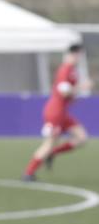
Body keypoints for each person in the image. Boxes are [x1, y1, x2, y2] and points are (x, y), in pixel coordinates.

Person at [23, 43, 91, 180]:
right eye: (79, 55)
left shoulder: (72, 70)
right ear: (74, 54)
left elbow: (68, 94)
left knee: (82, 137)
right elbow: (64, 91)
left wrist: (75, 93)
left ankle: (52, 153)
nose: (79, 58)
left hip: (63, 113)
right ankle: (28, 173)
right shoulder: (65, 69)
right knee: (49, 143)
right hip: (55, 113)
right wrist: (81, 87)